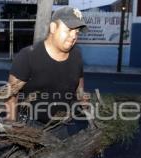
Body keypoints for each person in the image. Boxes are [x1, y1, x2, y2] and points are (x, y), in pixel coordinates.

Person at [6, 6, 88, 137]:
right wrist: (12, 125)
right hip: (30, 126)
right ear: (53, 28)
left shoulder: (77, 55)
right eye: (69, 30)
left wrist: (82, 97)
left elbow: (79, 83)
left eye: (77, 32)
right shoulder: (28, 56)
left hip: (63, 126)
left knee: (60, 157)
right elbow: (11, 96)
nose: (74, 36)